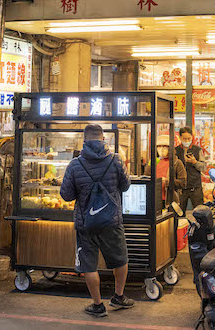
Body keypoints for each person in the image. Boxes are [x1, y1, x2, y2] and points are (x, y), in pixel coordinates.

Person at [59, 124, 134, 318]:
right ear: (103, 139)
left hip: (86, 223)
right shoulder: (116, 160)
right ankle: (118, 296)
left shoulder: (75, 164)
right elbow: (126, 186)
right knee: (120, 259)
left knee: (89, 265)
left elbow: (66, 195)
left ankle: (98, 305)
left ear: (84, 141)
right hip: (112, 221)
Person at [145, 138, 186, 208]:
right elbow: (146, 177)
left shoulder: (177, 163)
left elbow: (183, 183)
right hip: (153, 199)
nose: (161, 149)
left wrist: (168, 181)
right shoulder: (154, 161)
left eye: (164, 147)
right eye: (159, 146)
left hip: (169, 201)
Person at [174, 127, 206, 210]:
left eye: (189, 138)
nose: (187, 141)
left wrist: (194, 162)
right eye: (184, 138)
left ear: (192, 137)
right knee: (179, 213)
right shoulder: (175, 151)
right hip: (180, 187)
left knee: (200, 212)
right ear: (180, 138)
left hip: (195, 187)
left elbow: (203, 167)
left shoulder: (197, 150)